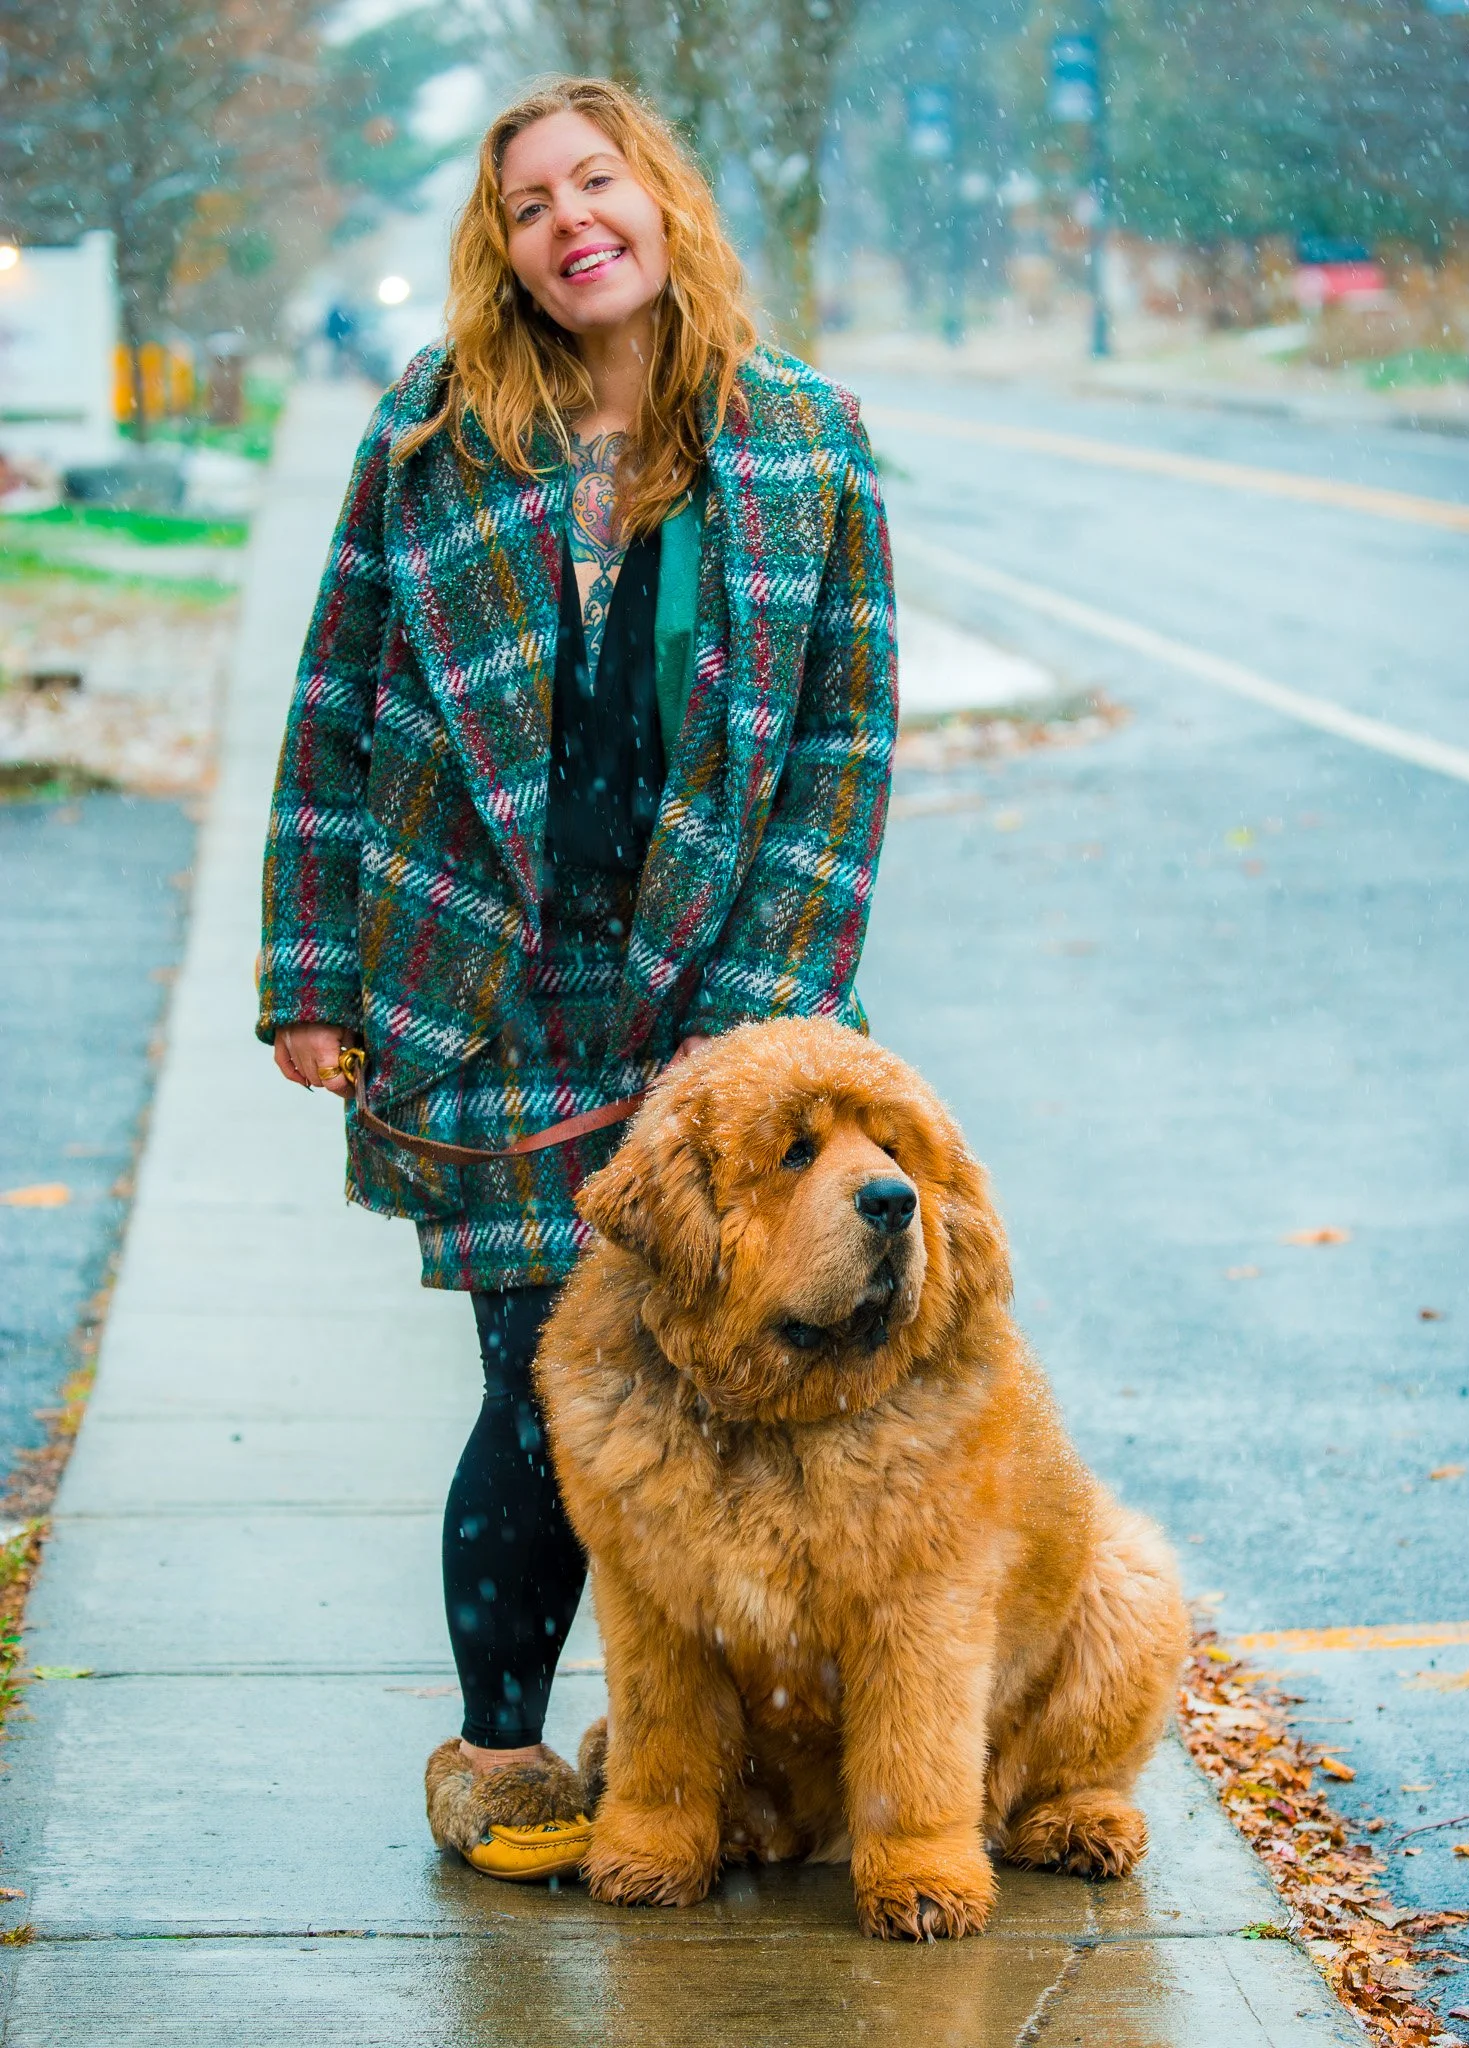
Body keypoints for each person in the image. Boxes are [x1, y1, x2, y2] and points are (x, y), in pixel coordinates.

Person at [257, 76, 897, 1881]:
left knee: (718, 1395)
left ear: (660, 203)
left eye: (592, 182)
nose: (566, 222)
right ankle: (507, 1749)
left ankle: (706, 1743)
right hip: (482, 990)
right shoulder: (432, 439)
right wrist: (312, 975)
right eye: (527, 203)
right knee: (548, 1380)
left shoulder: (806, 445)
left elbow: (844, 754)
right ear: (505, 250)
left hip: (709, 1000)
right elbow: (331, 720)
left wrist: (754, 1034)